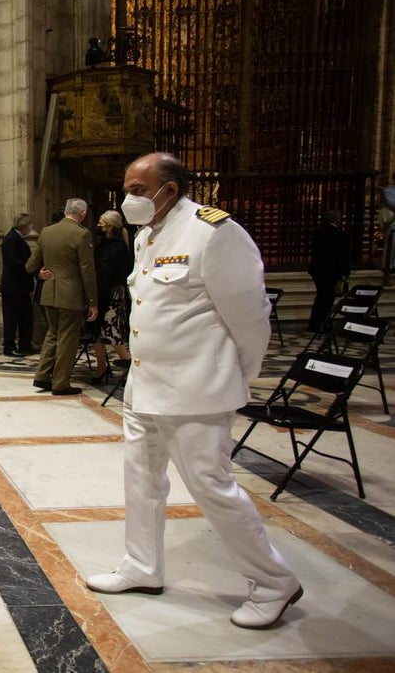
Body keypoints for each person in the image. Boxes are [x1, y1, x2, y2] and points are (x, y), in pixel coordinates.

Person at [85, 152, 301, 630]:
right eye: (128, 189)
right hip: (145, 387)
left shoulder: (214, 232)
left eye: (139, 189)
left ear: (171, 188)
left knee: (212, 487)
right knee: (141, 479)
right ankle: (142, 566)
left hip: (196, 391)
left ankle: (273, 582)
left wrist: (235, 375)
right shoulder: (147, 236)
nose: (129, 199)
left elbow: (250, 317)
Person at [25, 198, 98, 395]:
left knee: (52, 334)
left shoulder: (47, 232)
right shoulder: (82, 234)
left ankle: (42, 375)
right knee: (68, 338)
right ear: (82, 213)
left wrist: (40, 273)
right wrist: (92, 301)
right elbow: (87, 270)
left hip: (49, 291)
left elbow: (30, 265)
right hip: (71, 295)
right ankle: (60, 383)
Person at [91, 210, 133, 382]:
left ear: (109, 225)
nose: (99, 225)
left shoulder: (117, 247)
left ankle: (129, 363)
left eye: (101, 222)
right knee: (96, 332)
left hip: (112, 295)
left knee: (112, 332)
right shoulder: (103, 244)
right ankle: (101, 367)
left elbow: (106, 272)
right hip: (101, 292)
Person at [306, 209, 351, 333]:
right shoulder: (339, 234)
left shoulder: (318, 232)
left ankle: (315, 323)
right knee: (327, 299)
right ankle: (322, 323)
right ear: (337, 219)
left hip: (317, 270)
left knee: (321, 297)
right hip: (331, 272)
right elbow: (342, 256)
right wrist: (346, 273)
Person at [0, 213, 35, 356]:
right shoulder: (11, 239)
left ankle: (25, 344)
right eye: (30, 225)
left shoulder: (17, 238)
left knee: (25, 317)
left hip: (21, 287)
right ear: (23, 225)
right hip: (13, 287)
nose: (31, 228)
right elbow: (14, 263)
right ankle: (9, 347)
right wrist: (30, 269)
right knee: (11, 319)